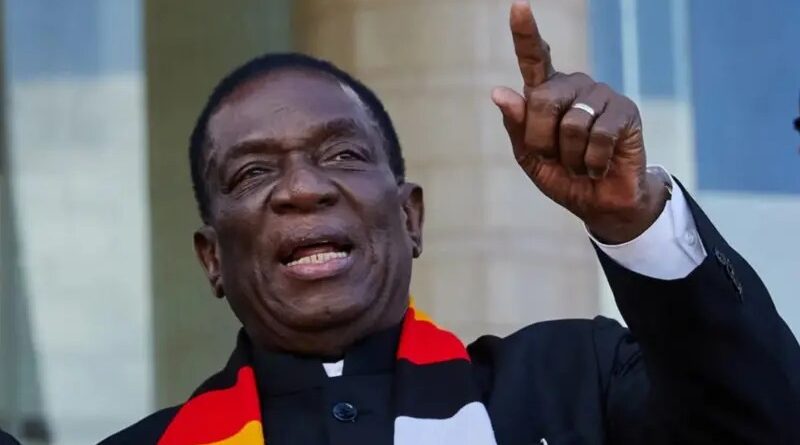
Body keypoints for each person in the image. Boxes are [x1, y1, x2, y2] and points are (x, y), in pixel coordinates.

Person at [101, 2, 800, 444]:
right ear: (212, 258)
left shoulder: (574, 383)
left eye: (342, 154)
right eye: (254, 172)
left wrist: (633, 218)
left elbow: (763, 424)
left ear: (411, 216)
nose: (304, 188)